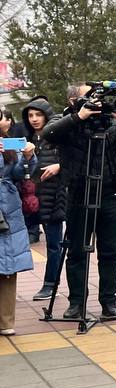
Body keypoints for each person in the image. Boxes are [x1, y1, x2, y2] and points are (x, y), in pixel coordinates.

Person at [43, 83, 116, 319]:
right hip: (79, 193)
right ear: (73, 101)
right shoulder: (67, 119)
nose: (96, 101)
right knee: (77, 251)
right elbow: (49, 134)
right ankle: (77, 302)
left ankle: (109, 301)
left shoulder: (109, 122)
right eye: (89, 96)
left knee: (110, 251)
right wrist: (79, 116)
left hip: (108, 193)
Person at [22, 98, 67, 301]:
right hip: (34, 199)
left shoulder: (57, 134)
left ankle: (51, 284)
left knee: (54, 244)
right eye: (30, 115)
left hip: (54, 196)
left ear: (46, 115)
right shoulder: (31, 139)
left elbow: (75, 158)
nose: (34, 119)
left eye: (38, 114)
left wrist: (59, 166)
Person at [1, 140, 36, 335]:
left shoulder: (8, 144)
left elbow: (20, 174)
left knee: (7, 265)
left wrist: (28, 157)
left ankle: (6, 321)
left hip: (8, 208)